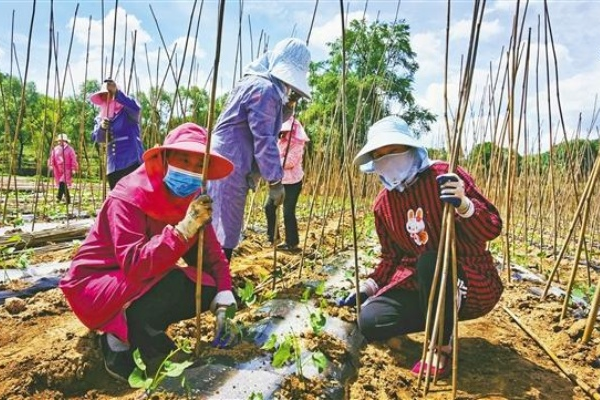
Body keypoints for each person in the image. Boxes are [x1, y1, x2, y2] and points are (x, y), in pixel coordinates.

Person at [60, 123, 237, 382]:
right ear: (164, 158)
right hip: (96, 285)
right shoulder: (128, 196)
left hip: (142, 281)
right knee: (172, 283)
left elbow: (211, 254)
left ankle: (147, 331)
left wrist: (224, 299)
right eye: (184, 160)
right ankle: (117, 339)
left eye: (199, 166)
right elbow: (135, 264)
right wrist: (181, 231)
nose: (191, 171)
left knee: (206, 285)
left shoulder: (193, 201)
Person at [339, 116, 503, 378]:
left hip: (471, 280)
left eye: (394, 150)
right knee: (370, 320)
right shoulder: (384, 205)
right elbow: (391, 257)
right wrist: (369, 286)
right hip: (421, 285)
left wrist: (464, 205)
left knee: (431, 261)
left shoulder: (445, 177)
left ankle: (440, 346)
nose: (388, 159)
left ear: (411, 149)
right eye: (379, 155)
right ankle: (438, 315)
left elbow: (492, 227)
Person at [208, 38, 312, 261]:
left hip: (227, 157)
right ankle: (217, 282)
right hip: (231, 162)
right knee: (226, 224)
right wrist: (275, 182)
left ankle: (214, 279)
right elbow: (264, 139)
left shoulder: (256, 83)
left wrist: (288, 105)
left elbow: (269, 120)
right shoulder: (265, 90)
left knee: (218, 220)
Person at [89, 78, 144, 190]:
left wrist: (117, 93)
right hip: (113, 166)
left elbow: (136, 108)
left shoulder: (127, 111)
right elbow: (96, 138)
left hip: (131, 162)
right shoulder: (101, 118)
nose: (106, 97)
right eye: (103, 95)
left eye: (109, 94)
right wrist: (102, 128)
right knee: (118, 201)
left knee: (132, 198)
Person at [265, 116, 309, 251]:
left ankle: (292, 242)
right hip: (279, 180)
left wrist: (275, 159)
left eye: (285, 131)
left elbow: (289, 162)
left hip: (293, 182)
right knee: (269, 207)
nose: (282, 133)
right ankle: (273, 237)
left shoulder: (298, 144)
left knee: (288, 211)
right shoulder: (280, 141)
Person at [47, 133, 79, 204]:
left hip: (67, 169)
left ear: (65, 141)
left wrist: (73, 168)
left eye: (62, 140)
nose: (60, 142)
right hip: (58, 169)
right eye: (59, 141)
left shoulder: (70, 149)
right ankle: (68, 200)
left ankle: (58, 198)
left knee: (62, 182)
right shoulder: (56, 149)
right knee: (62, 184)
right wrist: (51, 165)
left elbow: (73, 159)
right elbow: (52, 157)